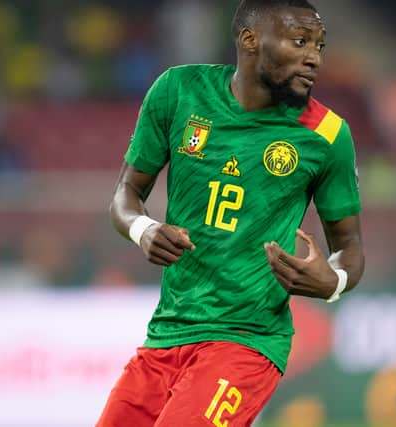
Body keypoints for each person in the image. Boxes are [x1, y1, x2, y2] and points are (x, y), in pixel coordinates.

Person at [97, 0, 364, 426]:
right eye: (299, 42)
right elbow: (126, 195)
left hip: (248, 341)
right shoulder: (178, 91)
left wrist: (334, 281)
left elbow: (349, 248)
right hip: (168, 333)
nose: (314, 56)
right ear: (249, 40)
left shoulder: (327, 134)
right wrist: (142, 228)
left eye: (319, 45)